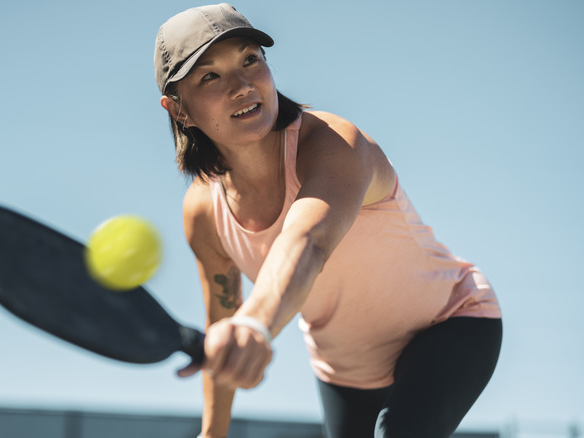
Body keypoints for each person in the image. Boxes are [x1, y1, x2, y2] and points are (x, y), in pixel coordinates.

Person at [153, 4, 503, 438]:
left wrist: (255, 323)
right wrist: (214, 431)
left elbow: (308, 241)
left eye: (250, 60)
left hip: (449, 323)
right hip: (344, 371)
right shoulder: (204, 211)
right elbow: (224, 320)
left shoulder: (335, 142)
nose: (242, 86)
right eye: (210, 76)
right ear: (179, 110)